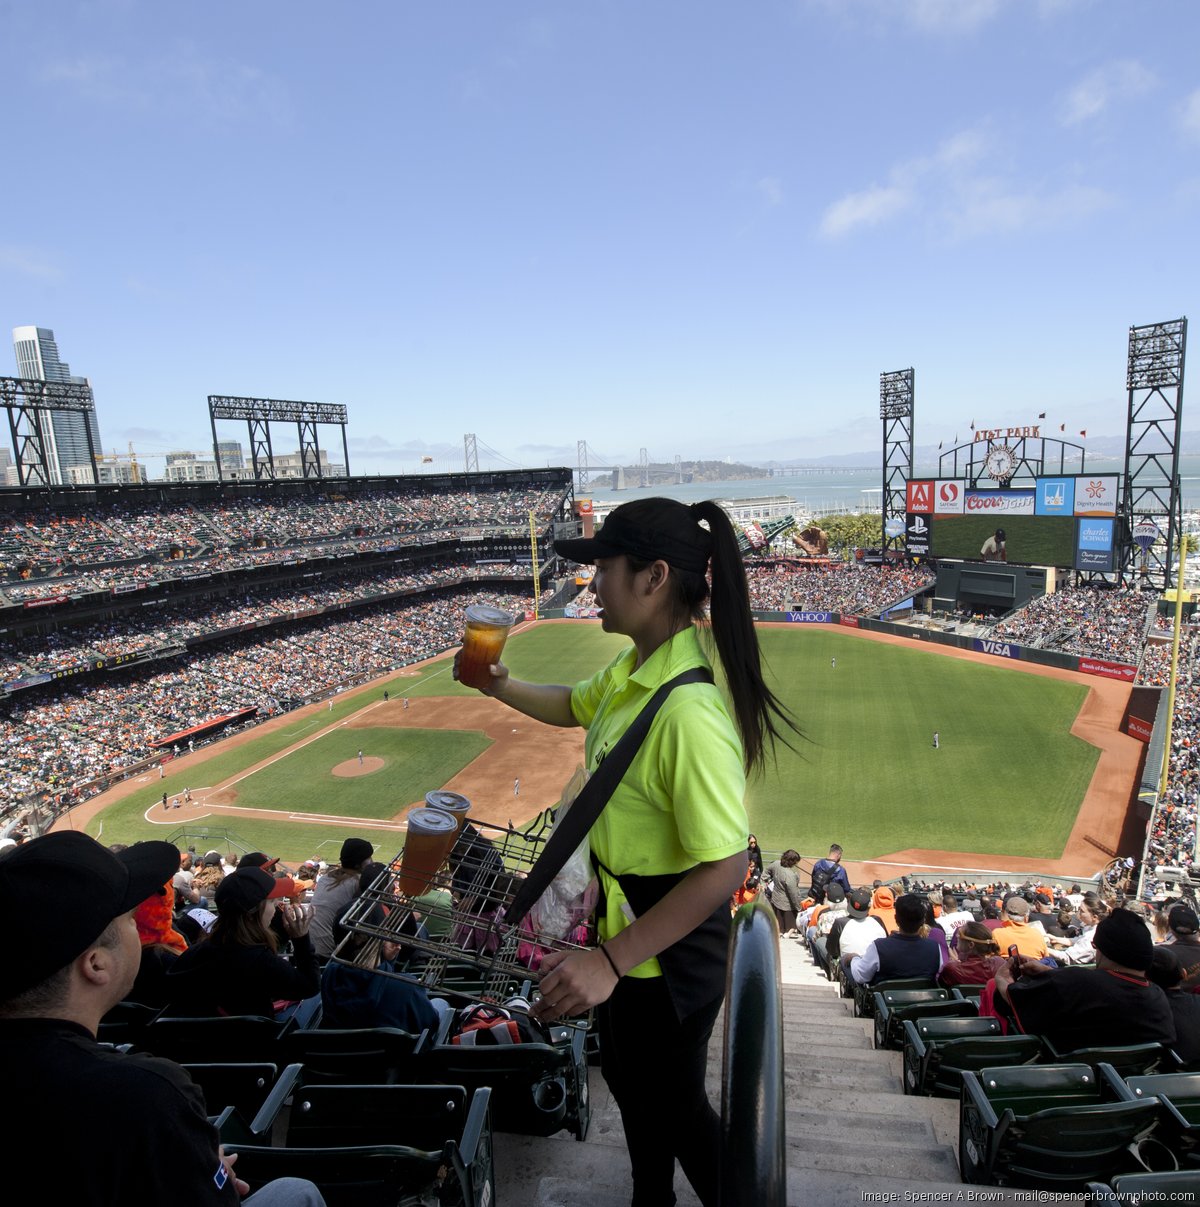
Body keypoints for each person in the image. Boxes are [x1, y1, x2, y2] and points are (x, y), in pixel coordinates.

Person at [454, 495, 797, 1207]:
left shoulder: (688, 716)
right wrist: (500, 684)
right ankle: (651, 1196)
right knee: (639, 1093)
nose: (592, 584)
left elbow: (726, 867)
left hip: (663, 958)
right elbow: (573, 703)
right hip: (624, 939)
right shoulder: (635, 669)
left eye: (604, 567)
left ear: (653, 577)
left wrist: (609, 960)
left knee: (676, 1107)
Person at [0, 832, 324, 1207]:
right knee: (298, 1190)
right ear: (96, 964)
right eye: (129, 919)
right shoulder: (146, 1095)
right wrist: (197, 1165)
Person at [995, 909, 1175, 1051]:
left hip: (1068, 1083)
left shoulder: (1076, 981)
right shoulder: (1157, 996)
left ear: (1104, 950)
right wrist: (1051, 973)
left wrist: (1002, 979)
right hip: (1135, 1090)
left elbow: (1013, 1000)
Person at [167, 866, 319, 1019]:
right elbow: (310, 986)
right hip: (250, 1038)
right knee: (318, 997)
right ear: (252, 914)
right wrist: (301, 939)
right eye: (272, 902)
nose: (276, 907)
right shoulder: (260, 961)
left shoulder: (196, 953)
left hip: (197, 1038)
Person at [310, 837, 376, 958]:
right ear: (358, 864)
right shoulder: (357, 883)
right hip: (327, 954)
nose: (372, 861)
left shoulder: (326, 878)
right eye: (368, 858)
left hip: (309, 946)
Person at [765, 849, 805, 935]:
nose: (796, 864)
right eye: (795, 862)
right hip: (787, 907)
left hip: (775, 900)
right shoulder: (790, 875)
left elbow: (766, 871)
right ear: (791, 861)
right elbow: (793, 894)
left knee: (778, 928)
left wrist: (764, 881)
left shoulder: (776, 864)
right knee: (789, 930)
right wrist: (798, 907)